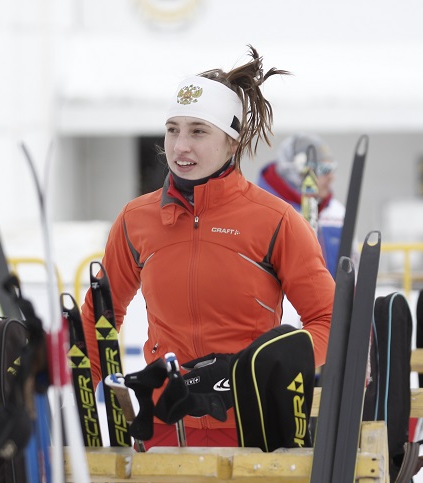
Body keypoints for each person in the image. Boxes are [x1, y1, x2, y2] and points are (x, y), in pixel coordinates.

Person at [80, 46, 334, 449]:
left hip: (253, 426)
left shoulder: (276, 220)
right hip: (166, 426)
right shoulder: (136, 219)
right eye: (173, 129)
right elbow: (100, 316)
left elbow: (329, 322)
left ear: (232, 143)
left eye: (198, 131)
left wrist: (262, 367)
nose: (180, 146)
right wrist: (76, 392)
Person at [257, 134, 345, 275]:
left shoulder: (337, 212)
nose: (331, 177)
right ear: (298, 172)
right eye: (324, 169)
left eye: (332, 168)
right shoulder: (262, 210)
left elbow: (353, 267)